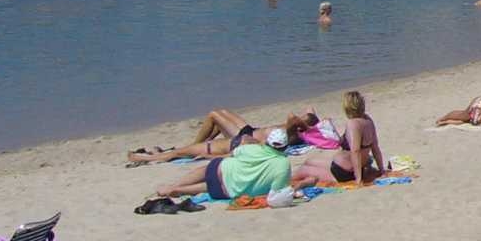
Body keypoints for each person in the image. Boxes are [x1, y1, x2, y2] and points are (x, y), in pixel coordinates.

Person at [126, 108, 319, 166]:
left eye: (304, 117)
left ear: (304, 124)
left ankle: (191, 146)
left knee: (213, 116)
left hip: (243, 138)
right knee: (220, 112)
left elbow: (292, 116)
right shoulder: (292, 131)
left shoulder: (294, 131)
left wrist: (307, 123)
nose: (301, 116)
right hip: (249, 132)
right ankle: (191, 147)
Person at [156, 131, 292, 202]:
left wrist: (209, 156)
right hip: (228, 191)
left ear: (267, 142)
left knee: (205, 171)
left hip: (221, 170)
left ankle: (174, 186)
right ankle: (179, 190)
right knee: (208, 187)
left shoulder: (252, 148)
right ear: (285, 147)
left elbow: (230, 155)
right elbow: (277, 190)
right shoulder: (283, 164)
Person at [292, 90, 385, 187]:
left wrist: (358, 178)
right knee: (309, 161)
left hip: (343, 172)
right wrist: (381, 170)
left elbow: (355, 151)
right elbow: (375, 147)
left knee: (303, 170)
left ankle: (287, 186)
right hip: (349, 167)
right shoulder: (368, 120)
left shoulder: (353, 124)